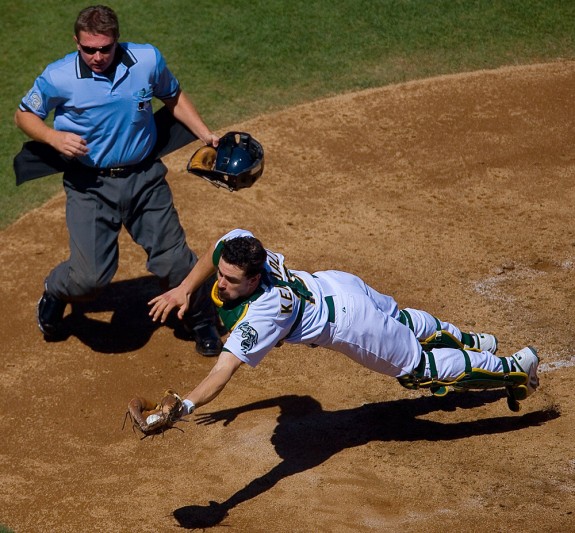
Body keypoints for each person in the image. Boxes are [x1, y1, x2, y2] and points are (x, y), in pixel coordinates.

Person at [147, 228, 540, 418]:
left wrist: (184, 405)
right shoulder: (246, 247)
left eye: (231, 280)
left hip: (353, 325)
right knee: (403, 318)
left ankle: (512, 368)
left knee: (423, 370)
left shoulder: (264, 311)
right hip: (337, 283)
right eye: (222, 274)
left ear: (253, 279)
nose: (221, 282)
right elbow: (219, 247)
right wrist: (185, 288)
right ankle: (474, 341)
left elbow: (223, 370)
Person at [15, 5, 222, 355]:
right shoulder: (58, 76)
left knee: (173, 260)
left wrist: (204, 133)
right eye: (88, 49)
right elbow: (24, 115)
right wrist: (52, 137)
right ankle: (55, 289)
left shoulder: (146, 61)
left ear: (117, 41)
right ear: (76, 42)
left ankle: (201, 319)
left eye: (105, 48)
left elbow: (172, 95)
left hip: (144, 178)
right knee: (88, 280)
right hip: (89, 186)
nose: (97, 56)